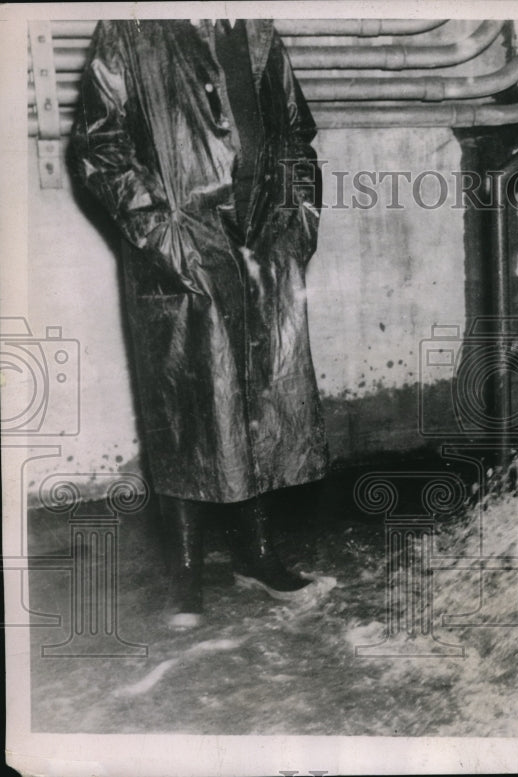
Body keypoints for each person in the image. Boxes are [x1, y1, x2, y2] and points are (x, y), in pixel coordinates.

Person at [70, 19, 329, 629]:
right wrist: (166, 237)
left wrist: (296, 225)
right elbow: (99, 147)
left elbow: (295, 133)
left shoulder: (257, 31)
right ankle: (184, 575)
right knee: (186, 406)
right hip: (181, 250)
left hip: (262, 244)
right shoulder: (131, 30)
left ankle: (257, 555)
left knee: (257, 400)